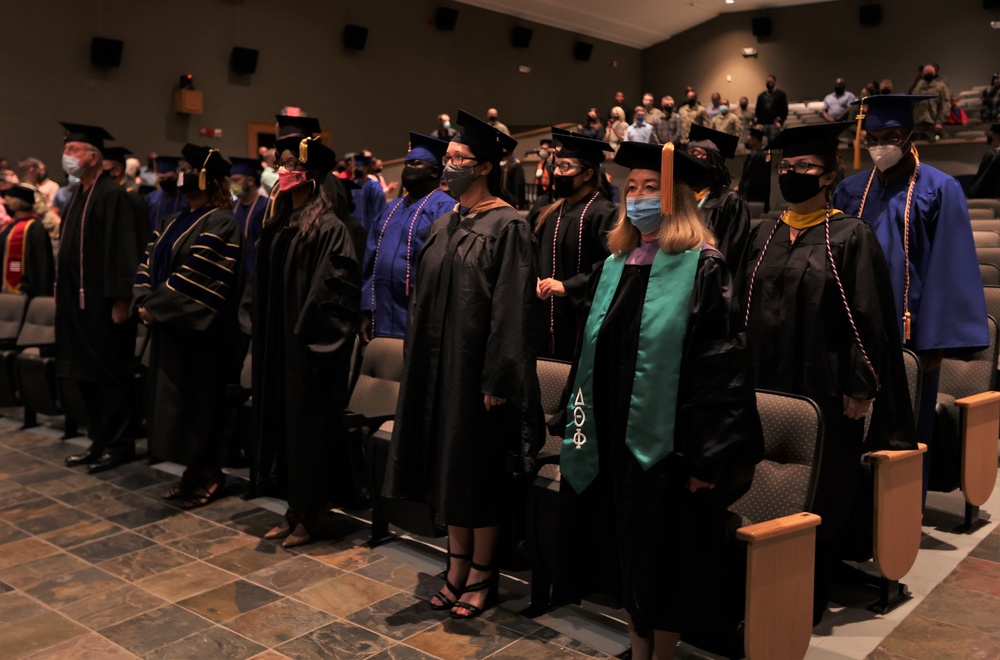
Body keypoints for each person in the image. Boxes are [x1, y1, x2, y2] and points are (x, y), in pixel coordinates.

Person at [556, 140, 763, 660]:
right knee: (626, 552)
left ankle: (662, 655)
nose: (639, 196)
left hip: (669, 450)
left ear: (678, 199)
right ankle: (637, 647)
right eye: (632, 188)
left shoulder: (702, 268)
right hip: (613, 442)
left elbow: (721, 368)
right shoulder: (615, 264)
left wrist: (706, 457)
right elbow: (590, 355)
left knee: (664, 559)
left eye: (652, 187)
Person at [740, 122, 915, 624]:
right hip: (762, 383)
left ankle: (807, 591)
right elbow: (740, 309)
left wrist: (862, 387)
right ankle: (756, 585)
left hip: (825, 388)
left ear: (829, 176)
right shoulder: (765, 233)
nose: (792, 173)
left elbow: (869, 318)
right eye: (787, 166)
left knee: (822, 487)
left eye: (804, 166)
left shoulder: (850, 235)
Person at [384, 109, 542, 620]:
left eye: (458, 158)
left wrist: (499, 376)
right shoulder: (446, 222)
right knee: (448, 471)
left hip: (479, 379)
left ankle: (482, 574)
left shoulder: (509, 225)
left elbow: (513, 309)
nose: (447, 165)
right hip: (439, 371)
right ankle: (455, 566)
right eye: (447, 157)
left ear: (485, 167)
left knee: (478, 476)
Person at [832, 95, 989, 499]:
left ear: (910, 136)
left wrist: (935, 339)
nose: (880, 146)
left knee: (905, 432)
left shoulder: (940, 189)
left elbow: (950, 264)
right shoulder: (851, 191)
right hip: (856, 337)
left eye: (890, 137)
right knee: (849, 431)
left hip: (912, 337)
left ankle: (903, 516)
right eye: (873, 139)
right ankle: (855, 517)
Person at [247, 135, 362, 548]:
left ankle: (311, 513)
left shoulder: (330, 228)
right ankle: (293, 507)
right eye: (279, 163)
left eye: (289, 164)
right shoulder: (281, 222)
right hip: (278, 344)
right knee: (283, 427)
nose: (281, 170)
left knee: (308, 432)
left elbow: (332, 293)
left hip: (310, 351)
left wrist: (317, 347)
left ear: (311, 175)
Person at [134, 144, 245, 509]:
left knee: (201, 406)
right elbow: (147, 263)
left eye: (189, 169)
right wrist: (144, 302)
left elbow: (200, 275)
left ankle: (210, 473)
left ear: (208, 179)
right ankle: (192, 471)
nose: (182, 175)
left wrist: (156, 308)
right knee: (177, 407)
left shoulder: (222, 222)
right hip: (171, 328)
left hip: (203, 335)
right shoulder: (172, 221)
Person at [58, 123, 148, 473]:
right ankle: (98, 441)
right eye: (66, 149)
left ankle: (119, 445)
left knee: (112, 376)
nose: (66, 155)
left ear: (93, 157)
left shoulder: (112, 195)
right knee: (86, 375)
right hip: (78, 306)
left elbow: (123, 249)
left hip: (105, 306)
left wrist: (122, 300)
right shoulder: (79, 193)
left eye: (74, 149)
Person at [361, 132, 454, 340]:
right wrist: (367, 307)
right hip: (382, 311)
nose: (408, 168)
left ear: (434, 172)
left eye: (416, 163)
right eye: (407, 163)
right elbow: (370, 261)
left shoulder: (445, 208)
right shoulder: (390, 209)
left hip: (418, 314)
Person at [533, 133, 617, 360]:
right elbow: (533, 254)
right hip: (545, 318)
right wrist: (535, 278)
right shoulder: (549, 213)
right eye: (557, 166)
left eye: (566, 166)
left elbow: (611, 267)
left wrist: (569, 286)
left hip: (581, 320)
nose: (557, 173)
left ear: (588, 174)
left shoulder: (604, 213)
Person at [686, 124, 751, 271]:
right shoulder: (681, 199)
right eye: (687, 154)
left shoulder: (730, 201)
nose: (688, 159)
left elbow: (733, 254)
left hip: (711, 278)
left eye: (696, 153)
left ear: (713, 161)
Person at [0, 184, 54, 298]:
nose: (5, 203)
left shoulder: (35, 228)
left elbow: (41, 264)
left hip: (28, 291)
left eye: (8, 200)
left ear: (16, 202)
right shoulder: (12, 226)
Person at [230, 157, 267, 281]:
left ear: (250, 181)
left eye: (236, 180)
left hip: (257, 271)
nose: (233, 185)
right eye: (231, 181)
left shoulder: (266, 206)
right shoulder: (233, 207)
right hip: (235, 272)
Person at [145, 156, 188, 232]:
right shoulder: (150, 199)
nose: (166, 181)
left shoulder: (186, 198)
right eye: (162, 178)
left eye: (170, 178)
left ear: (177, 176)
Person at [735, 127, 771, 213]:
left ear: (755, 140)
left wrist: (741, 189)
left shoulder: (755, 156)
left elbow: (750, 177)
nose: (748, 140)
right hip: (760, 195)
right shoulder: (764, 155)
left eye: (750, 139)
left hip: (753, 196)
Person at [911, 64, 950, 141]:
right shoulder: (917, 89)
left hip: (933, 123)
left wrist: (939, 122)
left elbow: (945, 106)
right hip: (918, 123)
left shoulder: (940, 87)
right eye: (927, 73)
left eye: (931, 73)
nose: (929, 75)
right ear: (922, 74)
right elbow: (913, 105)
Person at [351, 153, 387, 233]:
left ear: (366, 168)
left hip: (370, 230)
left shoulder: (374, 187)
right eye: (355, 167)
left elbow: (379, 210)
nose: (357, 169)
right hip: (355, 230)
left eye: (359, 167)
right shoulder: (353, 185)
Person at [754, 75, 788, 145]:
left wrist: (780, 122)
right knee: (764, 146)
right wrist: (757, 123)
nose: (769, 83)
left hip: (775, 124)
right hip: (763, 125)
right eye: (768, 81)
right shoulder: (761, 96)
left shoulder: (781, 94)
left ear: (774, 82)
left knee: (774, 145)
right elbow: (757, 111)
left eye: (771, 81)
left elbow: (784, 110)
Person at [969, 123, 1000, 199]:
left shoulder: (993, 155)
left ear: (996, 136)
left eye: (990, 134)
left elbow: (981, 180)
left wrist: (971, 195)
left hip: (993, 197)